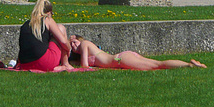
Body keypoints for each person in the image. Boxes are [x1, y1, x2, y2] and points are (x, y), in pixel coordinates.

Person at [69, 35, 206, 70]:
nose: (74, 45)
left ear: (80, 39)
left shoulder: (85, 44)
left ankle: (189, 66)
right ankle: (190, 64)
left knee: (157, 65)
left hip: (120, 60)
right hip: (123, 57)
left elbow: (85, 66)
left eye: (75, 41)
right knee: (157, 64)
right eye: (71, 45)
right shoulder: (83, 51)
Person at [16, 0, 74, 72]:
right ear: (49, 13)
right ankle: (65, 63)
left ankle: (55, 66)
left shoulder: (26, 24)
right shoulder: (47, 20)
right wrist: (69, 49)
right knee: (61, 28)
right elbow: (63, 42)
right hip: (43, 63)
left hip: (25, 64)